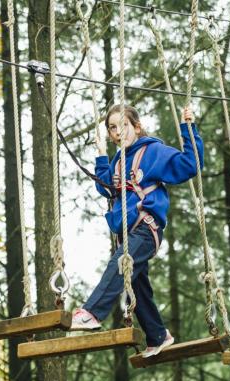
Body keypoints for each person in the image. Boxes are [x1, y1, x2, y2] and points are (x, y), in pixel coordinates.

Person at [71, 104, 203, 358]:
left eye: (123, 125)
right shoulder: (118, 161)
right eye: (112, 128)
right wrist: (100, 155)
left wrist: (188, 127)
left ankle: (92, 312)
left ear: (137, 127)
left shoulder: (152, 152)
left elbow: (189, 165)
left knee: (122, 262)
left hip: (145, 228)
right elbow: (106, 188)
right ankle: (158, 335)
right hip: (128, 231)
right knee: (136, 285)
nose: (117, 132)